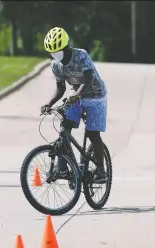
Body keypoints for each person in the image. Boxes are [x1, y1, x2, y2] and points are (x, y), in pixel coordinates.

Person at [41, 27, 108, 184]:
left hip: (96, 95)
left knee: (93, 133)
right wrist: (49, 104)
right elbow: (60, 88)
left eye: (58, 51)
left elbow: (88, 77)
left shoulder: (80, 55)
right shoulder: (55, 65)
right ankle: (64, 169)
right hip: (76, 97)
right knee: (65, 127)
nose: (55, 56)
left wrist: (77, 94)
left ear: (65, 47)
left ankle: (101, 170)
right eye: (52, 53)